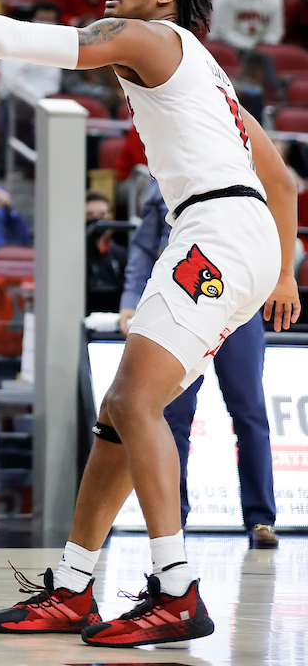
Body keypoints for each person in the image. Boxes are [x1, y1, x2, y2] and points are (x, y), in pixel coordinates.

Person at [0, 0, 299, 647]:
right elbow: (285, 183)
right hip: (241, 235)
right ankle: (73, 587)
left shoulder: (149, 38)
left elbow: (25, 45)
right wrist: (283, 269)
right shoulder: (204, 66)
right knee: (119, 412)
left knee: (136, 403)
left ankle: (176, 590)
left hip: (215, 233)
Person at [121, 178, 279, 549]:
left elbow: (277, 208)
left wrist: (283, 274)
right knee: (172, 415)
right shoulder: (163, 171)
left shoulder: (246, 168)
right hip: (185, 300)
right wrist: (130, 297)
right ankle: (172, 521)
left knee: (250, 411)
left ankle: (261, 519)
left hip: (238, 301)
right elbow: (145, 244)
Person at [85, 190, 126, 315]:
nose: (97, 220)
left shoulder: (121, 254)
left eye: (102, 215)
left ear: (111, 217)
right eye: (89, 215)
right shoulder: (76, 255)